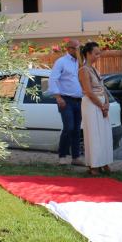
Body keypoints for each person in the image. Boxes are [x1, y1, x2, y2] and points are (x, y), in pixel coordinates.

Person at [78, 42, 113, 175]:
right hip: (92, 105)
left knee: (104, 134)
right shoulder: (83, 70)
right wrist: (101, 105)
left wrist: (107, 103)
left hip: (101, 105)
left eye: (99, 53)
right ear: (88, 53)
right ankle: (93, 165)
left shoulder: (95, 70)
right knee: (93, 135)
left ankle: (104, 162)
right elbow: (89, 91)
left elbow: (103, 89)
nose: (98, 56)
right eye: (96, 53)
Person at [48, 38, 84, 166]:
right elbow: (53, 80)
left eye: (80, 48)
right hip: (66, 100)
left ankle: (75, 157)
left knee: (76, 129)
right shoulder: (61, 62)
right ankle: (62, 156)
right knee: (69, 127)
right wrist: (58, 97)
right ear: (69, 49)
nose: (79, 50)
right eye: (76, 48)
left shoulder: (81, 62)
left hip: (79, 100)